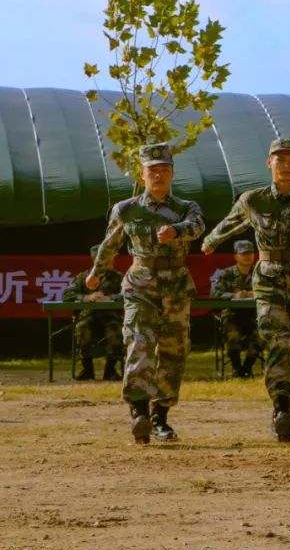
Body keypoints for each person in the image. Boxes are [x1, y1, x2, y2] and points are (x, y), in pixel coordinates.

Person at [201, 138, 290, 443]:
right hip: (269, 279)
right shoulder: (253, 200)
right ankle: (281, 406)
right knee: (277, 341)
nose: (284, 165)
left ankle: (287, 396)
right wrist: (209, 242)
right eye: (279, 159)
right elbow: (230, 223)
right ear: (268, 163)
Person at [85, 143, 205, 443]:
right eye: (153, 171)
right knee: (139, 344)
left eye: (164, 170)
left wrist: (177, 230)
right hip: (141, 284)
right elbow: (109, 244)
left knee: (173, 352)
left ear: (172, 173)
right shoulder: (126, 209)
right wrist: (96, 273)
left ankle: (160, 417)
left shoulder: (186, 207)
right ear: (142, 174)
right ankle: (138, 412)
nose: (159, 175)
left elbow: (198, 226)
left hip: (176, 285)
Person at [63, 245, 124, 381]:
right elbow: (67, 294)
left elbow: (129, 294)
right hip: (88, 316)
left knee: (115, 331)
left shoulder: (118, 277)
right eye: (106, 259)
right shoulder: (84, 277)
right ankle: (87, 369)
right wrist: (86, 298)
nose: (111, 262)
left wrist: (110, 298)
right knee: (82, 329)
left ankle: (110, 370)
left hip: (111, 317)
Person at [209, 239, 260, 378]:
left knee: (261, 335)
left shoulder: (259, 273)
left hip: (254, 315)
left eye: (250, 253)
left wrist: (256, 294)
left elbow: (270, 290)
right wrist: (234, 295)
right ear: (236, 256)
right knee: (232, 335)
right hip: (232, 315)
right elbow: (215, 294)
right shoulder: (225, 274)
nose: (247, 256)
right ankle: (237, 370)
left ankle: (247, 368)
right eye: (243, 253)